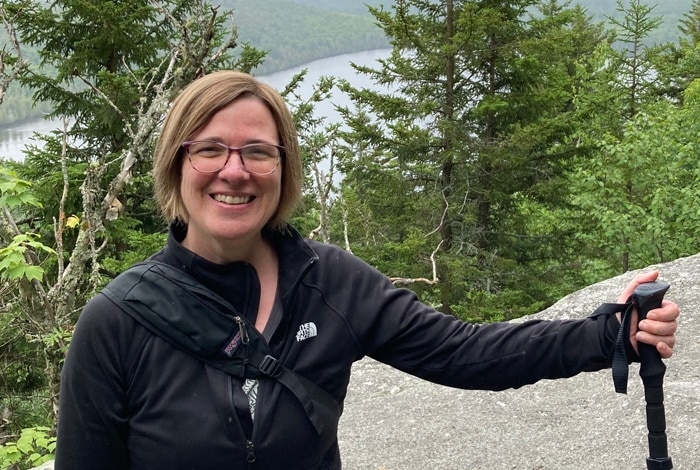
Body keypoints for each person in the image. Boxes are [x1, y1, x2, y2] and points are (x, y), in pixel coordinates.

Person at [54, 70, 679, 470]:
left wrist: (610, 334)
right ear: (176, 163)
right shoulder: (118, 322)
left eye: (258, 152)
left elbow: (469, 355)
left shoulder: (331, 283)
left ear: (283, 167)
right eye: (211, 148)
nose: (234, 170)